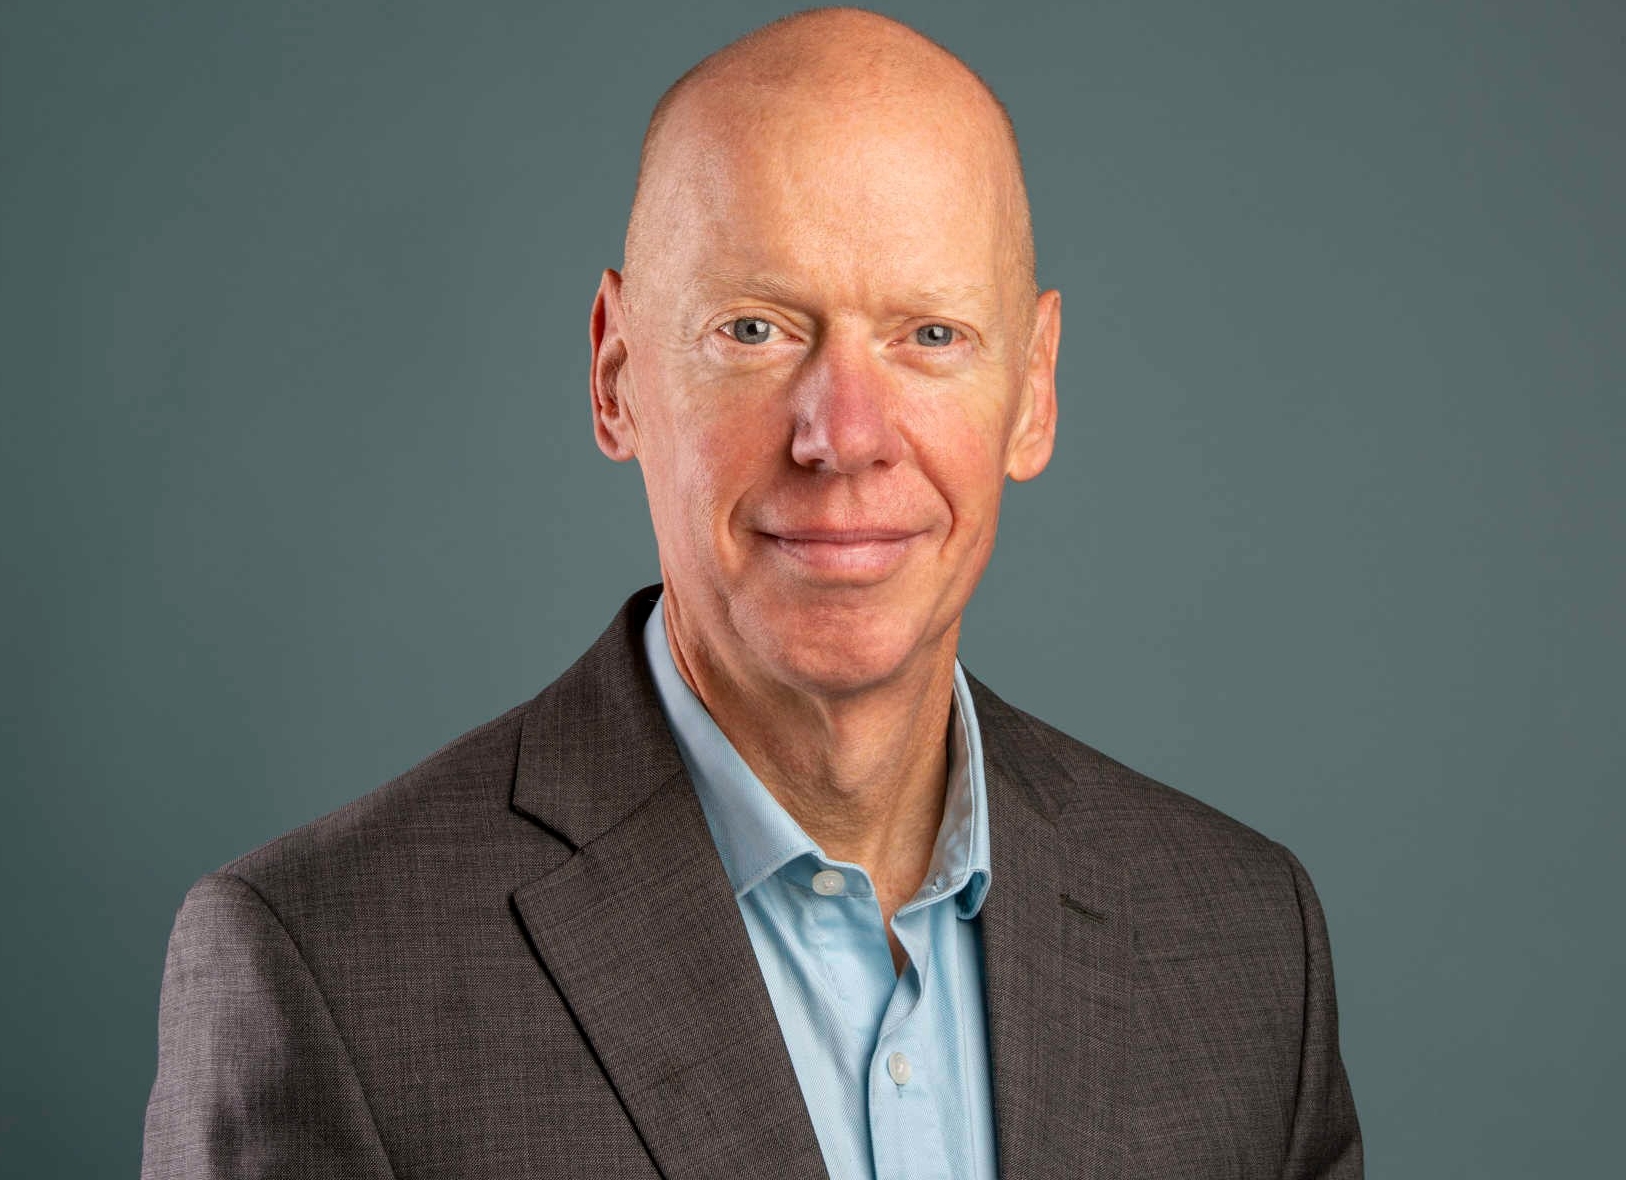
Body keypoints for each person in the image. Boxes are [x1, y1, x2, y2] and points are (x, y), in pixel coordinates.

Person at [141, 8, 1362, 1178]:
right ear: (616, 375)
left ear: (1033, 392)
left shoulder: (1247, 944)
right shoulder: (322, 967)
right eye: (755, 329)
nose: (843, 435)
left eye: (929, 336)